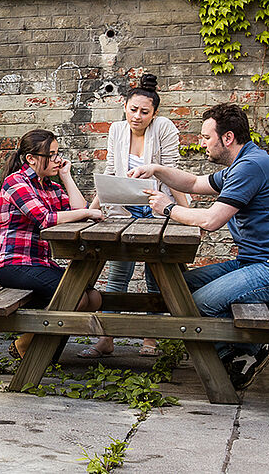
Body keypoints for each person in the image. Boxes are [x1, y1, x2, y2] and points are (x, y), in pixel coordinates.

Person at [130, 102, 269, 389]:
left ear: (227, 138)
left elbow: (212, 220)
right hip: (255, 263)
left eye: (206, 137)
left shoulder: (250, 167)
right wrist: (156, 169)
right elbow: (192, 183)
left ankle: (240, 355)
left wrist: (168, 208)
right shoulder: (240, 165)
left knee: (199, 303)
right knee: (168, 282)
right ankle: (235, 352)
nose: (202, 143)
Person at [81, 74, 190, 359]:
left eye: (144, 112)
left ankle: (150, 339)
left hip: (157, 206)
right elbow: (110, 170)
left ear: (154, 114)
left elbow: (173, 172)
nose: (137, 116)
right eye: (133, 110)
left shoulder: (164, 128)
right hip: (123, 207)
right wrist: (94, 208)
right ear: (124, 107)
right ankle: (106, 338)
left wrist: (188, 215)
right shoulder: (117, 130)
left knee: (156, 273)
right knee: (118, 272)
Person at [0, 129, 103, 359]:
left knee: (94, 298)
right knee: (76, 296)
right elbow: (46, 219)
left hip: (38, 263)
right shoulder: (16, 183)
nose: (57, 159)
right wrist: (86, 213)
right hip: (12, 265)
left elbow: (78, 210)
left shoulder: (49, 187)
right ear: (31, 159)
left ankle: (38, 347)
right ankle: (31, 348)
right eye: (50, 155)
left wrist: (66, 176)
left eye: (57, 153)